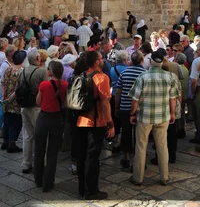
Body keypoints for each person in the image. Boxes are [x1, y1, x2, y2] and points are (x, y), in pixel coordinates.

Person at [128, 49, 180, 186]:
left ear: (150, 62)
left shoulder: (142, 77)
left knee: (141, 146)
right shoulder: (169, 77)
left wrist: (132, 113)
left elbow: (135, 99)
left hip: (144, 117)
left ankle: (138, 178)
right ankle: (164, 177)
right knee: (162, 147)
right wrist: (173, 113)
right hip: (162, 117)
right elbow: (173, 98)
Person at [76, 51, 115, 200]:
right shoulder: (101, 78)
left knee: (82, 155)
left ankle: (82, 188)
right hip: (95, 122)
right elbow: (105, 102)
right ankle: (91, 191)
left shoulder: (82, 75)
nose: (103, 60)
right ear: (97, 62)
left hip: (80, 121)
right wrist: (110, 123)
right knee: (92, 158)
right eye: (100, 58)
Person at [34, 61, 67, 192]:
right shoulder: (65, 85)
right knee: (53, 153)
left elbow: (37, 102)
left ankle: (38, 179)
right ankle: (48, 183)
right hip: (57, 118)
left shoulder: (44, 84)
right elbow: (64, 103)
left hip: (43, 117)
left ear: (51, 71)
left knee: (39, 150)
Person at [18, 50, 48, 174]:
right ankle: (40, 162)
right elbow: (46, 88)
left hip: (24, 106)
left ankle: (26, 163)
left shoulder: (22, 71)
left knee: (27, 135)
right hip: (36, 106)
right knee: (40, 136)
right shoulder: (41, 71)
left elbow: (18, 89)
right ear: (37, 59)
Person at [115, 50, 145, 168]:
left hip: (125, 107)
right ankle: (138, 158)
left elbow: (118, 91)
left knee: (126, 132)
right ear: (141, 60)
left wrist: (117, 106)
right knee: (139, 134)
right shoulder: (144, 73)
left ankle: (126, 156)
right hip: (140, 109)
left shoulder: (124, 73)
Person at [0, 50, 26, 152]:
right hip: (15, 102)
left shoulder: (8, 69)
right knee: (16, 123)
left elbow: (2, 83)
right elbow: (18, 90)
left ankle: (5, 142)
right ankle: (12, 144)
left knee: (7, 121)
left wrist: (3, 97)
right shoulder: (22, 71)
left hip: (5, 101)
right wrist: (9, 99)